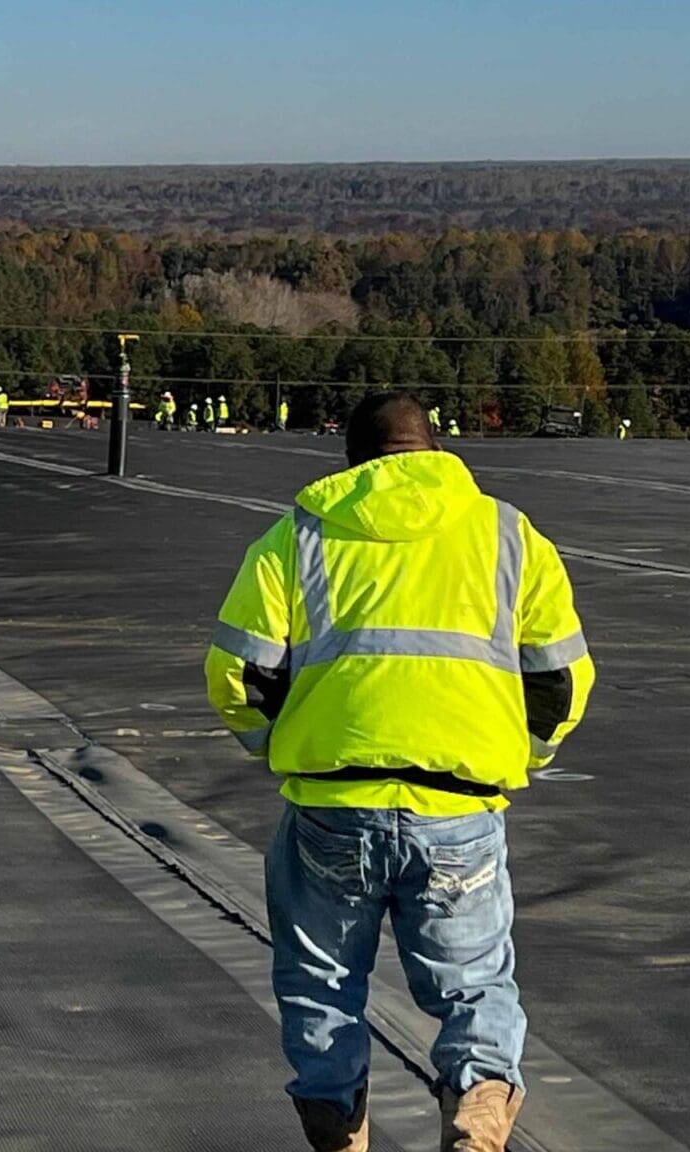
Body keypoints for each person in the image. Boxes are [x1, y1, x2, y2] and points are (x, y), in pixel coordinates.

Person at [205, 392, 594, 1152]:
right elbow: (560, 679)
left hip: (331, 809)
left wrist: (278, 744)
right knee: (473, 983)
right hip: (458, 812)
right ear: (437, 448)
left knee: (320, 985)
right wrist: (522, 756)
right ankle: (479, 1105)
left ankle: (337, 1130)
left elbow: (237, 673)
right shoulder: (508, 536)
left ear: (350, 460)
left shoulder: (300, 536)